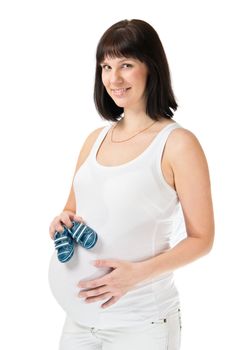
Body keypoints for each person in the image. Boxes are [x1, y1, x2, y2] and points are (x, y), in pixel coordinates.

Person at [48, 19, 215, 350]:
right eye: (106, 66)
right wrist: (60, 220)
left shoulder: (178, 144)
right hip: (80, 321)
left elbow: (202, 239)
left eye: (126, 64)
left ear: (151, 68)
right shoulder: (95, 139)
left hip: (141, 324)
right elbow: (72, 208)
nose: (114, 78)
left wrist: (137, 274)